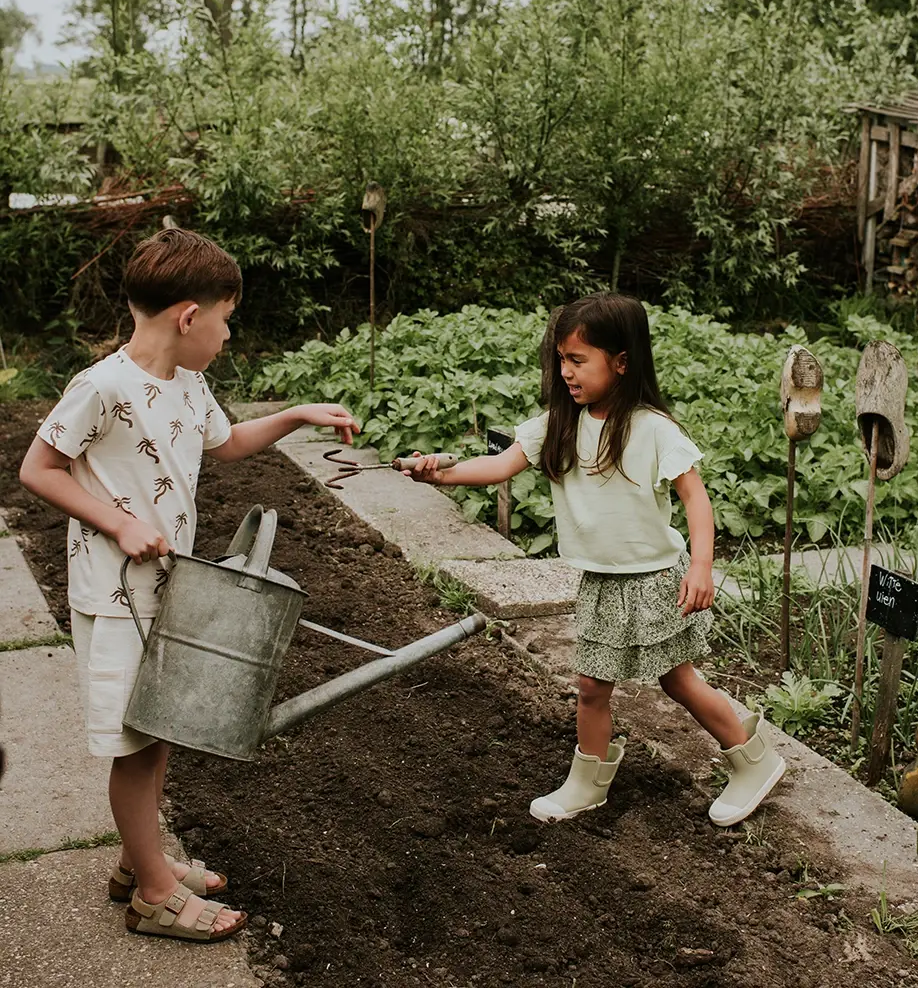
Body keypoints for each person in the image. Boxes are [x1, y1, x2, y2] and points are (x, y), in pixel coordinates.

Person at [19, 229, 360, 941]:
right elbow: (38, 470)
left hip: (167, 589)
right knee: (134, 744)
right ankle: (152, 893)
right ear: (188, 316)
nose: (228, 335)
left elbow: (225, 443)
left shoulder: (189, 384)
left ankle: (138, 862)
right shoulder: (104, 386)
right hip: (115, 596)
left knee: (160, 727)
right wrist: (117, 522)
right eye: (227, 319)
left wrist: (297, 415)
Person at [405, 292, 785, 826]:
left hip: (657, 579)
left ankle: (753, 760)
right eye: (560, 359)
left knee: (678, 680)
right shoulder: (556, 423)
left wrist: (702, 565)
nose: (565, 372)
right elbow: (497, 467)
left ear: (622, 362)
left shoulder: (653, 429)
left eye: (578, 360)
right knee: (590, 686)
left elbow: (695, 499)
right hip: (603, 582)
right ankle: (587, 783)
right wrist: (436, 472)